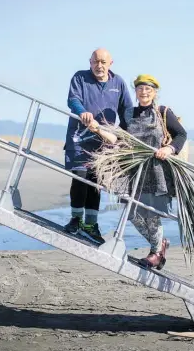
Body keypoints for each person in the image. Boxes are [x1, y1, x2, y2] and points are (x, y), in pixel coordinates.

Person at [64, 48, 133, 244]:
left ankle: (91, 224)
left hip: (104, 143)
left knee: (95, 182)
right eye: (96, 61)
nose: (99, 66)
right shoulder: (80, 78)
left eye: (103, 62)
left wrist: (124, 133)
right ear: (90, 62)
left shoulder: (118, 82)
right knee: (80, 177)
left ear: (110, 63)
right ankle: (76, 220)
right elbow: (73, 99)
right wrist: (82, 112)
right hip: (79, 138)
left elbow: (126, 109)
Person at [124, 74, 187, 269]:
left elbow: (181, 134)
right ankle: (160, 245)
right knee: (132, 213)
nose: (144, 92)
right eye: (140, 88)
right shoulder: (128, 113)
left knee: (151, 214)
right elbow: (120, 137)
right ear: (135, 91)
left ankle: (156, 253)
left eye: (148, 89)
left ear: (155, 92)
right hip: (135, 171)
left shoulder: (162, 112)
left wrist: (169, 149)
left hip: (157, 170)